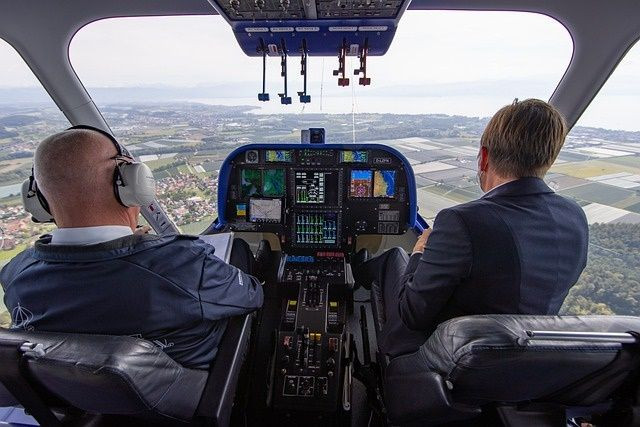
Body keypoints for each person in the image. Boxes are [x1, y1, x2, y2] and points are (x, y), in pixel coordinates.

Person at [0, 127, 263, 369]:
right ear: (133, 184)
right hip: (186, 402)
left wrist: (128, 244)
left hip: (73, 405)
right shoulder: (183, 265)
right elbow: (252, 295)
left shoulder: (17, 274)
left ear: (37, 199)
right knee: (240, 251)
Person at [356, 99, 588, 358]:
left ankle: (353, 280)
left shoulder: (463, 221)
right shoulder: (574, 217)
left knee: (394, 258)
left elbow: (412, 314)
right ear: (549, 158)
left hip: (451, 361)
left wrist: (419, 253)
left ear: (484, 157)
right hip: (528, 362)